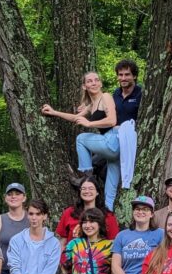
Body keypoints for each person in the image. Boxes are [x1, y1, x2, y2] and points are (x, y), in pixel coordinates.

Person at [41, 71, 121, 210]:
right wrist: (54, 112)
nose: (94, 83)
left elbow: (112, 120)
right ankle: (108, 219)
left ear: (101, 83)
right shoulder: (92, 104)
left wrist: (89, 124)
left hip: (113, 139)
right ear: (84, 86)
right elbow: (76, 117)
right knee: (110, 194)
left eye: (96, 80)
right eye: (90, 81)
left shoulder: (106, 97)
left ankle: (86, 177)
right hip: (114, 151)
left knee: (81, 138)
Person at [112, 59, 142, 192]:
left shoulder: (141, 94)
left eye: (127, 74)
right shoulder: (116, 94)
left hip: (131, 140)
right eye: (120, 75)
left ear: (134, 76)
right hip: (115, 136)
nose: (123, 78)